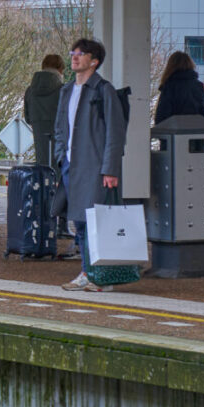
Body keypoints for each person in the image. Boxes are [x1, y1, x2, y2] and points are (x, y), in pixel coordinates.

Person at [52, 37, 130, 290]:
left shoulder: (103, 90)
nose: (74, 56)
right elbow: (60, 128)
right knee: (80, 220)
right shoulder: (66, 91)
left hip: (95, 167)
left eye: (81, 54)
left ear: (94, 62)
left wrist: (110, 168)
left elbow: (115, 133)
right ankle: (88, 273)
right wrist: (60, 155)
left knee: (96, 221)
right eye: (73, 52)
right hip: (71, 166)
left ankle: (100, 275)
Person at [24, 55, 66, 171]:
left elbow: (27, 118)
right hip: (61, 155)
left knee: (43, 182)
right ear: (60, 69)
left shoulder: (30, 91)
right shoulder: (64, 91)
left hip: (41, 153)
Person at [154, 51, 204, 123]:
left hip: (176, 132)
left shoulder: (169, 88)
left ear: (170, 67)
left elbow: (161, 118)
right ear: (191, 65)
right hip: (199, 132)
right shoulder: (202, 87)